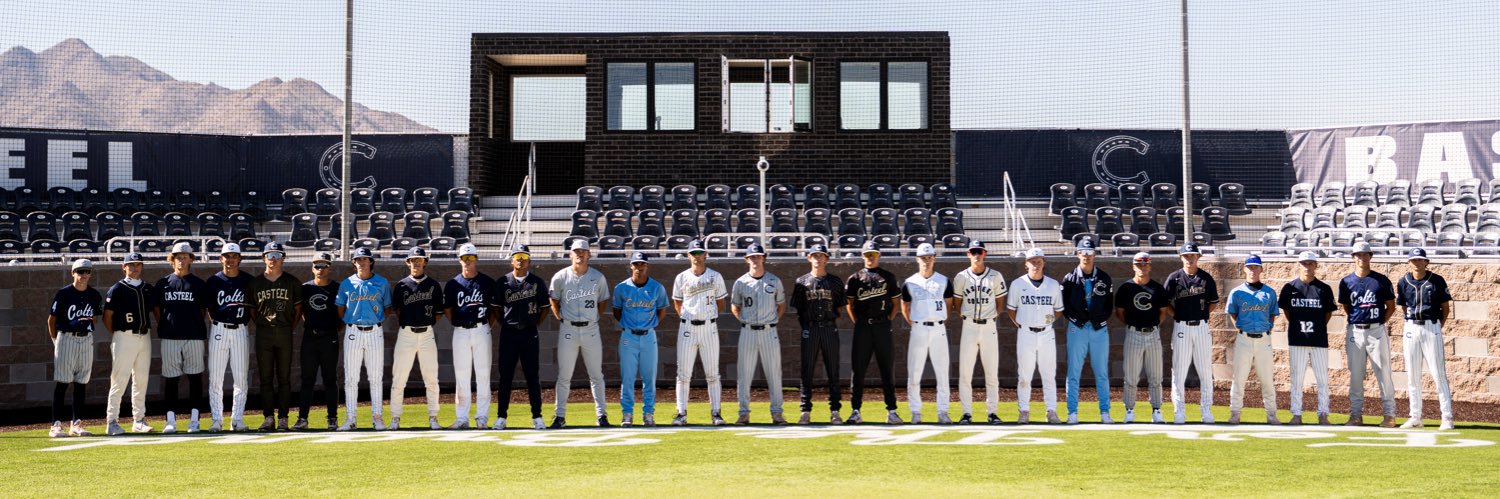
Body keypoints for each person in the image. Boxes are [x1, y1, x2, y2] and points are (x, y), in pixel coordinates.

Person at [548, 239, 612, 428]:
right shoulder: (560, 277)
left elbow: (602, 302)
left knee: (596, 375)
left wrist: (592, 318)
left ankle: (602, 416)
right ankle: (560, 416)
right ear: (570, 254)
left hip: (591, 329)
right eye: (576, 251)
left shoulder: (598, 277)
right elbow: (554, 300)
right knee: (564, 376)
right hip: (568, 328)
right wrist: (561, 318)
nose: (580, 254)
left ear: (589, 254)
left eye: (583, 251)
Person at [1338, 241, 1397, 428]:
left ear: (1370, 256)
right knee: (1355, 374)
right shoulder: (1346, 282)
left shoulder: (1381, 280)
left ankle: (1389, 414)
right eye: (1358, 254)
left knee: (1383, 372)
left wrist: (1378, 323)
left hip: (1375, 330)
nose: (1361, 258)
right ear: (1353, 257)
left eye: (1365, 254)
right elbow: (1347, 307)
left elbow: (1391, 306)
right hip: (1355, 330)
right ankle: (1356, 415)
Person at [671, 239, 729, 426]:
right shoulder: (681, 277)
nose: (697, 256)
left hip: (709, 327)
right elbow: (677, 302)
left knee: (713, 373)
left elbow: (720, 303)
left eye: (700, 252)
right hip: (687, 327)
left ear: (705, 254)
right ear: (688, 255)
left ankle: (716, 413)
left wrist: (707, 316)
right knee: (683, 374)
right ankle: (681, 413)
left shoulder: (716, 276)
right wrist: (688, 317)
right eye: (693, 253)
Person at [844, 240, 902, 425]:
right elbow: (849, 305)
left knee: (887, 368)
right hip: (863, 327)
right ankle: (855, 411)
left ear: (879, 255)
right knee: (858, 369)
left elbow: (895, 304)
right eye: (867, 254)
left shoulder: (888, 277)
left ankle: (892, 411)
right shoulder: (854, 278)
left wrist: (886, 321)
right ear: (862, 256)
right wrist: (859, 323)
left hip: (882, 326)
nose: (870, 257)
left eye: (874, 254)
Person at [1396, 248, 1455, 430]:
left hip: (1431, 325)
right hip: (1411, 326)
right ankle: (1415, 416)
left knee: (1438, 374)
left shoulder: (1436, 280)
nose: (1417, 263)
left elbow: (1445, 309)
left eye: (1420, 260)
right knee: (1413, 375)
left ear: (1426, 262)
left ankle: (1447, 417)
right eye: (1413, 260)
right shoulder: (1403, 281)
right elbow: (1404, 307)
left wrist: (1436, 326)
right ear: (1409, 262)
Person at [336, 246, 393, 431]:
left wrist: (377, 320)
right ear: (354, 263)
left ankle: (377, 417)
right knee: (351, 378)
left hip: (375, 331)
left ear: (371, 262)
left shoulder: (381, 283)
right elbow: (340, 307)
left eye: (365, 259)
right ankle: (350, 418)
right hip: (353, 331)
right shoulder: (346, 284)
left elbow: (387, 307)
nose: (362, 262)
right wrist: (348, 320)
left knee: (376, 377)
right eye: (358, 260)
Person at [247, 241, 302, 431]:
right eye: (269, 255)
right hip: (264, 334)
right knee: (265, 378)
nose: (273, 259)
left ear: (283, 258)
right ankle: (268, 417)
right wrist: (264, 325)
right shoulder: (255, 283)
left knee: (285, 378)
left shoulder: (292, 282)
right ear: (264, 258)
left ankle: (284, 418)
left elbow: (298, 309)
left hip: (285, 332)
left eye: (277, 255)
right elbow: (253, 312)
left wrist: (287, 326)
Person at [952, 240, 1008, 425]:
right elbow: (957, 304)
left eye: (980, 251)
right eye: (973, 251)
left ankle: (992, 413)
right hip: (968, 326)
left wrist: (992, 317)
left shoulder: (996, 276)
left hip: (989, 327)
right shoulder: (961, 277)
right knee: (965, 373)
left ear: (985, 254)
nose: (977, 254)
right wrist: (966, 317)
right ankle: (966, 413)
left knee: (991, 373)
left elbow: (1001, 303)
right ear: (968, 254)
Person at [730, 243, 787, 425]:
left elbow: (781, 305)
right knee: (744, 374)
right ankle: (743, 413)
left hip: (769, 331)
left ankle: (777, 413)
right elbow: (735, 306)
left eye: (758, 256)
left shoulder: (774, 280)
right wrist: (744, 320)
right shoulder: (740, 282)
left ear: (764, 258)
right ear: (747, 259)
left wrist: (771, 321)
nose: (755, 259)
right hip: (747, 331)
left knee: (774, 373)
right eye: (752, 257)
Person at [155, 241, 208, 433]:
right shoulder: (163, 283)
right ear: (172, 260)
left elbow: (202, 310)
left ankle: (195, 420)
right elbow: (157, 310)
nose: (181, 261)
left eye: (185, 257)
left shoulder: (199, 284)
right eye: (178, 257)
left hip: (193, 337)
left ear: (191, 260)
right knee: (171, 380)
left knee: (195, 378)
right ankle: (171, 421)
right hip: (170, 337)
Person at [1278, 251, 1337, 426]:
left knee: (1322, 379)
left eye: (1310, 263)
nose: (1307, 267)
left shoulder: (1324, 288)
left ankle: (1323, 413)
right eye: (1304, 263)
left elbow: (1327, 314)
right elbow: (1287, 312)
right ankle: (1296, 413)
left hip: (1318, 340)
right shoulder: (1290, 288)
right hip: (1297, 339)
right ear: (1299, 265)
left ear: (1316, 265)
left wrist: (1317, 326)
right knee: (1296, 378)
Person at [613, 251, 671, 427]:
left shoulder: (656, 287)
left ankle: (648, 414)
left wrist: (650, 323)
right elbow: (617, 311)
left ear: (647, 266)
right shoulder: (621, 288)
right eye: (636, 264)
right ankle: (627, 414)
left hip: (648, 336)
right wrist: (628, 323)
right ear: (631, 266)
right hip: (628, 336)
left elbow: (662, 310)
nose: (639, 267)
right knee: (628, 378)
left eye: (642, 264)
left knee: (649, 378)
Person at [390, 247, 444, 430]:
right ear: (408, 262)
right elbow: (398, 311)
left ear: (425, 262)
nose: (416, 263)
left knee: (431, 378)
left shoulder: (434, 285)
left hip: (427, 334)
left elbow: (438, 314)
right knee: (399, 378)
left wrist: (424, 323)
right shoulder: (401, 285)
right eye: (413, 260)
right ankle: (395, 418)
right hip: (406, 334)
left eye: (419, 259)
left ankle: (433, 417)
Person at [1060, 237, 1114, 424]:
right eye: (1083, 252)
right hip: (1077, 329)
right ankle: (1072, 412)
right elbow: (1064, 306)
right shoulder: (1069, 279)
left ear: (1095, 254)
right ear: (1077, 254)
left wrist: (1099, 320)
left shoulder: (1105, 278)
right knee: (1074, 372)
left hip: (1099, 330)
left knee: (1102, 373)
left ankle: (1105, 412)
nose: (1087, 256)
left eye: (1090, 253)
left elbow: (1109, 305)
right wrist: (1077, 320)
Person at [496, 244, 550, 430]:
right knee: (505, 377)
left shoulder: (537, 282)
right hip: (509, 333)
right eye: (517, 256)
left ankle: (537, 417)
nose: (520, 259)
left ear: (529, 260)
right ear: (512, 260)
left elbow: (544, 309)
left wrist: (533, 324)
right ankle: (501, 417)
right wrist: (506, 324)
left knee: (532, 376)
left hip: (529, 333)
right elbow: (495, 309)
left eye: (524, 256)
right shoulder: (503, 282)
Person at [1007, 248, 1063, 424]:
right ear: (1026, 264)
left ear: (1044, 263)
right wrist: (1022, 324)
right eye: (1032, 261)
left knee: (1049, 374)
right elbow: (1011, 309)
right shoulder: (1017, 284)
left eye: (1039, 261)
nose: (1036, 264)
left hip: (1047, 333)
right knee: (1024, 375)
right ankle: (1024, 410)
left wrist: (1049, 319)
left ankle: (1051, 411)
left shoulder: (1053, 284)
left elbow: (1059, 310)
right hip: (1026, 333)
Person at [1165, 242, 1219, 424]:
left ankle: (1206, 410)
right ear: (1181, 257)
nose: (1190, 258)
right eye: (1186, 256)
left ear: (1198, 257)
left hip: (1202, 327)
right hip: (1181, 326)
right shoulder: (1174, 278)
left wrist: (1202, 315)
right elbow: (1165, 304)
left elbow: (1213, 302)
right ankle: (1179, 410)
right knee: (1179, 371)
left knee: (1205, 370)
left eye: (1193, 255)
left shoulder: (1206, 278)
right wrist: (1177, 315)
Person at [791, 243, 845, 424]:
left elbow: (839, 309)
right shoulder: (801, 282)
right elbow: (799, 310)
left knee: (833, 370)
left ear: (827, 258)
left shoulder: (835, 281)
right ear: (809, 258)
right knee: (807, 370)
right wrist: (807, 326)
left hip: (829, 327)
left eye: (821, 255)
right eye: (814, 255)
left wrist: (828, 322)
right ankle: (805, 410)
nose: (818, 258)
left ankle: (835, 410)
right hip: (810, 328)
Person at [445, 243, 496, 429]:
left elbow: (493, 311)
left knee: (483, 374)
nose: (467, 262)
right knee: (462, 375)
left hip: (482, 329)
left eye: (471, 258)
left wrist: (484, 327)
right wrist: (459, 325)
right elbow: (449, 310)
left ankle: (482, 417)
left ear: (476, 259)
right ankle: (462, 418)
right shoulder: (453, 284)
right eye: (464, 258)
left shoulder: (487, 282)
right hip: (460, 331)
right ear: (459, 260)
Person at [103, 253, 156, 435]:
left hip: (144, 335)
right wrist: (118, 333)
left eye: (138, 264)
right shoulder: (117, 289)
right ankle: (112, 421)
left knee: (141, 380)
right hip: (124, 336)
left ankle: (139, 420)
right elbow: (107, 317)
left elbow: (155, 311)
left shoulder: (147, 288)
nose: (134, 268)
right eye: (131, 264)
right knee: (119, 380)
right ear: (123, 267)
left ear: (142, 267)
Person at [48, 258, 101, 437]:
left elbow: (94, 318)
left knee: (81, 383)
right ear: (73, 273)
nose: (84, 275)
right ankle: (56, 425)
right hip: (67, 338)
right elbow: (51, 320)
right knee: (62, 383)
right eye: (80, 272)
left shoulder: (94, 295)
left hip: (86, 339)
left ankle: (76, 424)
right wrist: (57, 340)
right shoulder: (64, 293)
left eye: (87, 272)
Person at [901, 243, 954, 424]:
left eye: (929, 257)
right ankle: (916, 412)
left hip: (939, 328)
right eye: (923, 258)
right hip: (918, 328)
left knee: (942, 372)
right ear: (917, 259)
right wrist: (917, 323)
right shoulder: (909, 282)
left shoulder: (944, 280)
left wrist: (939, 321)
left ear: (934, 258)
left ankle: (943, 412)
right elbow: (905, 308)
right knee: (914, 372)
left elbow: (949, 305)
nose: (926, 261)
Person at [1114, 252, 1169, 424]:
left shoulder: (1157, 289)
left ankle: (1157, 410)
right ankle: (1129, 409)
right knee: (1130, 376)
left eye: (1145, 264)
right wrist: (1134, 325)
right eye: (1138, 265)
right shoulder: (1126, 288)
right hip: (1133, 334)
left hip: (1153, 334)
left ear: (1150, 266)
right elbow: (1120, 313)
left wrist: (1151, 325)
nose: (1142, 267)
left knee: (1156, 376)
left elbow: (1163, 313)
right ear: (1133, 266)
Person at [1224, 255, 1280, 425]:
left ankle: (1271, 414)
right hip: (1244, 339)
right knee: (1239, 378)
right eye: (1249, 267)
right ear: (1244, 269)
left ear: (1261, 269)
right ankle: (1235, 412)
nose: (1252, 270)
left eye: (1256, 267)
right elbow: (1232, 312)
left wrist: (1268, 327)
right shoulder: (1237, 292)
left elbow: (1272, 314)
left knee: (1267, 379)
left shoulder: (1269, 292)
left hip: (1263, 339)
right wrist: (1239, 327)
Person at [205, 243, 253, 432]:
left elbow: (252, 307)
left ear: (240, 259)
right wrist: (218, 324)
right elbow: (210, 308)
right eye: (227, 256)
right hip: (219, 329)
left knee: (241, 378)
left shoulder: (249, 280)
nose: (230, 259)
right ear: (221, 259)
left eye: (234, 256)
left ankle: (237, 419)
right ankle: (217, 419)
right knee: (215, 378)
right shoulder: (213, 281)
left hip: (241, 329)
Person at [294, 252, 342, 430]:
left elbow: (341, 315)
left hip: (329, 336)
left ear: (330, 268)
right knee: (307, 379)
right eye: (317, 266)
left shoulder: (337, 288)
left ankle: (332, 418)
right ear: (311, 268)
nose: (320, 269)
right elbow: (301, 313)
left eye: (324, 266)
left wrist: (332, 329)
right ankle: (302, 419)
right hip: (310, 338)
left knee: (330, 379)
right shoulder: (305, 288)